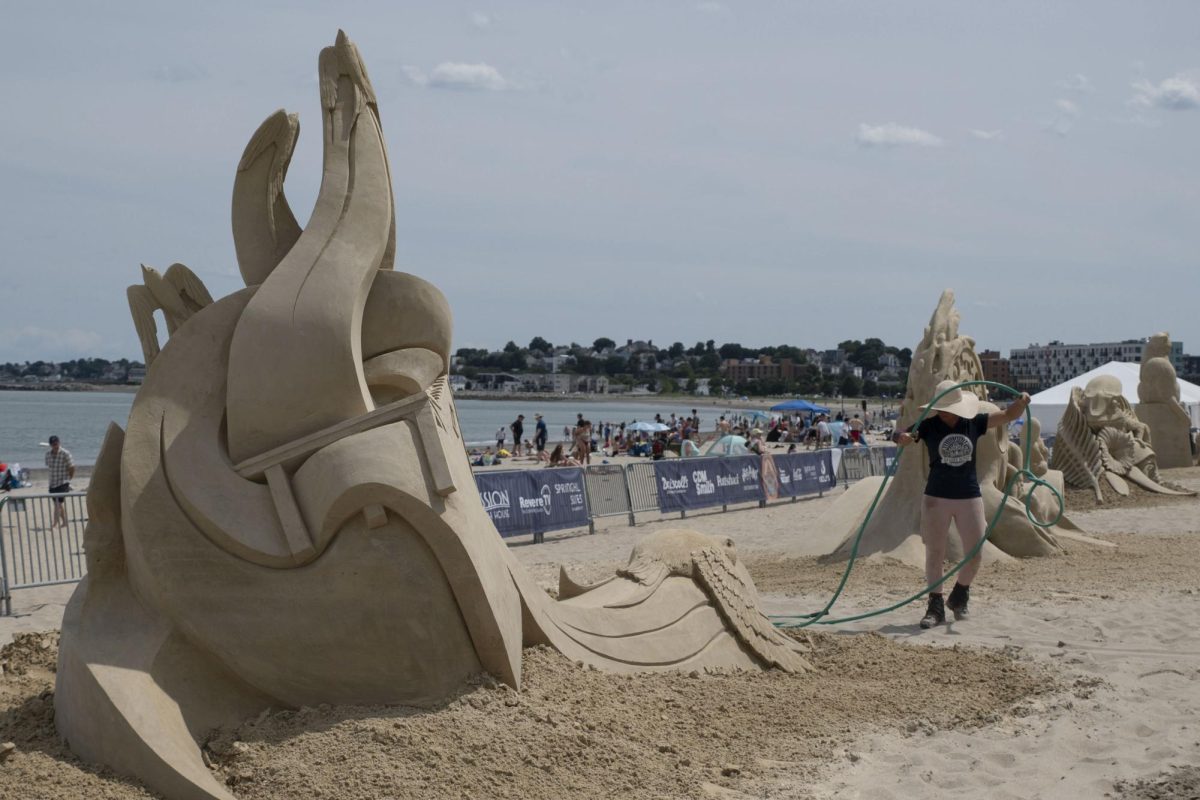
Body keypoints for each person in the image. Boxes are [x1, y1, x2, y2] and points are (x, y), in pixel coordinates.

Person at [895, 380, 1030, 629]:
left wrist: (1021, 402)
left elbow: (1008, 415)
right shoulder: (929, 425)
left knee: (976, 552)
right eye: (942, 407)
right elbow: (901, 435)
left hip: (968, 495)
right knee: (935, 552)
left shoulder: (973, 422)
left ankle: (960, 593)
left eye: (949, 407)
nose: (945, 412)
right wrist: (901, 437)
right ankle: (935, 605)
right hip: (936, 497)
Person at [45, 435, 75, 529]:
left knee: (58, 504)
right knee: (58, 504)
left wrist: (70, 478)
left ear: (59, 442)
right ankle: (65, 522)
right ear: (50, 445)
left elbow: (72, 467)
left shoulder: (65, 453)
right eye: (53, 444)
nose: (55, 445)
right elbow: (48, 466)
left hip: (63, 482)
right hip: (52, 483)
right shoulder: (48, 454)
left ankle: (54, 524)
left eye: (57, 443)